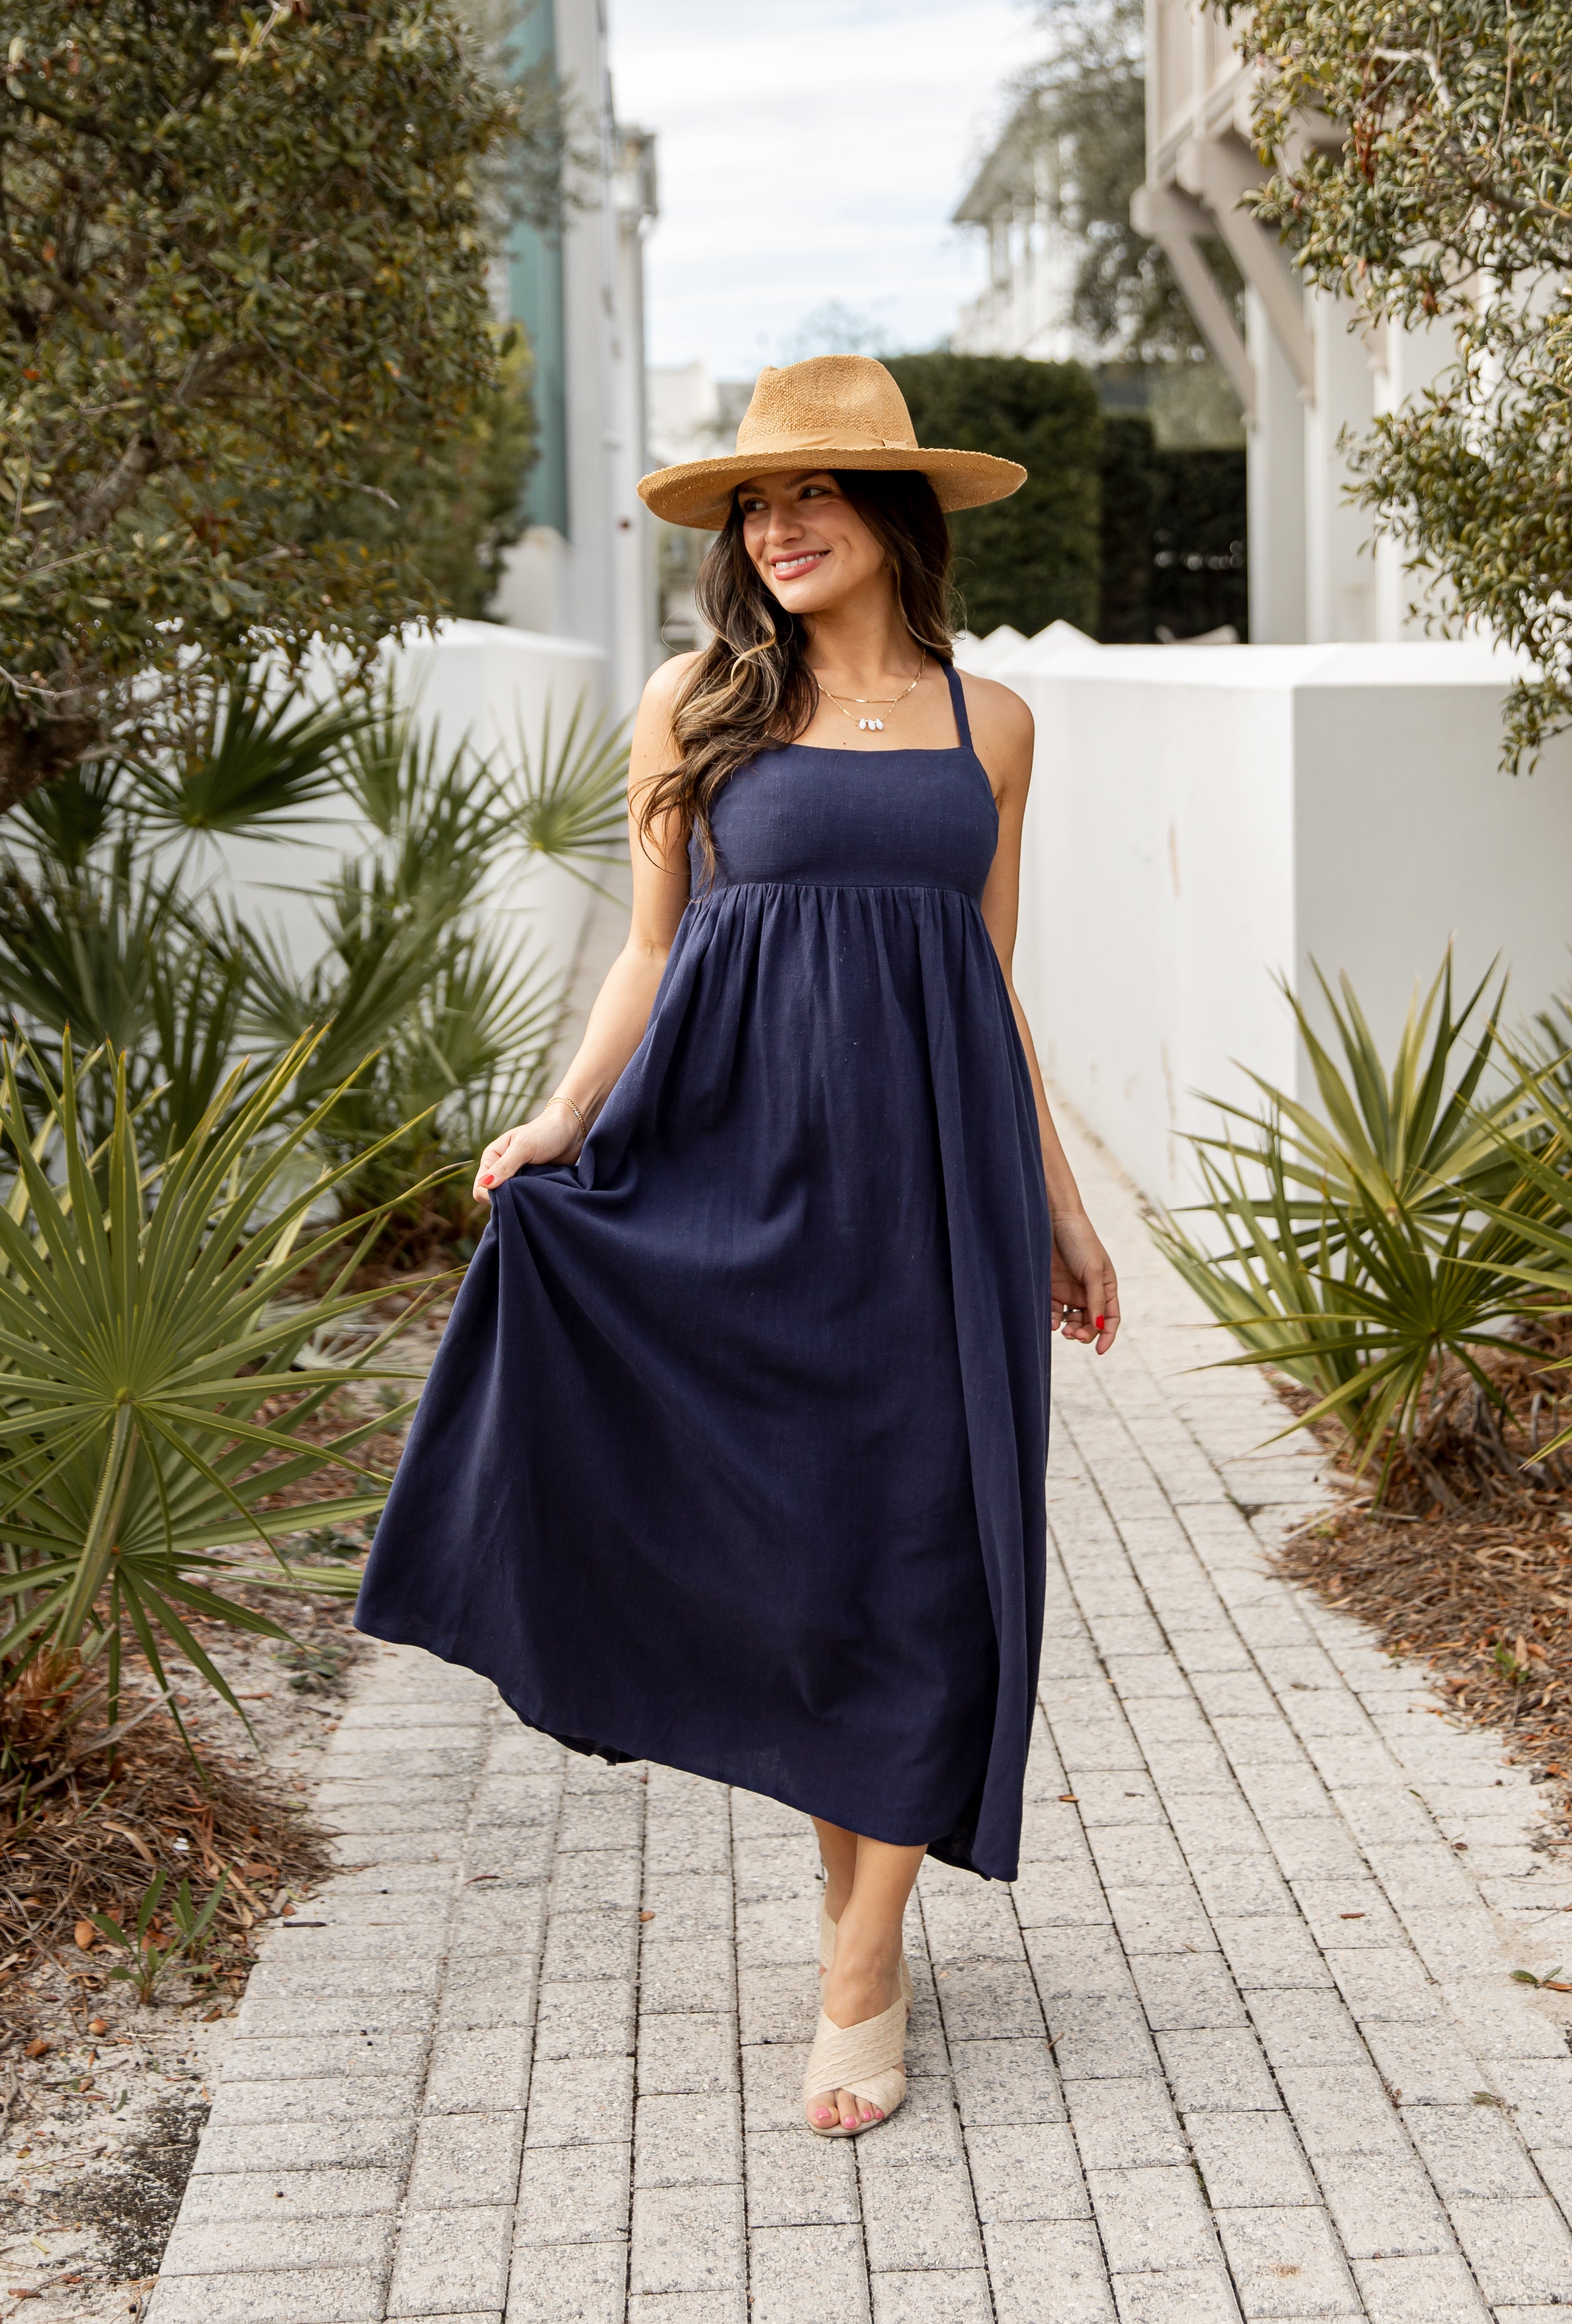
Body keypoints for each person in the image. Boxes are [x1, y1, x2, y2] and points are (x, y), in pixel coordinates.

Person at [355, 354, 1120, 2138]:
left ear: (894, 516)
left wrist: (1064, 1210)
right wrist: (557, 1119)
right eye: (754, 506)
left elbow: (988, 984)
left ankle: (861, 1967)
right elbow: (647, 947)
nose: (776, 528)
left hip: (937, 1201)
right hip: (740, 1170)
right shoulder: (695, 701)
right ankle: (862, 1917)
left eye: (813, 496)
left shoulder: (987, 724)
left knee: (933, 1555)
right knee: (809, 1565)